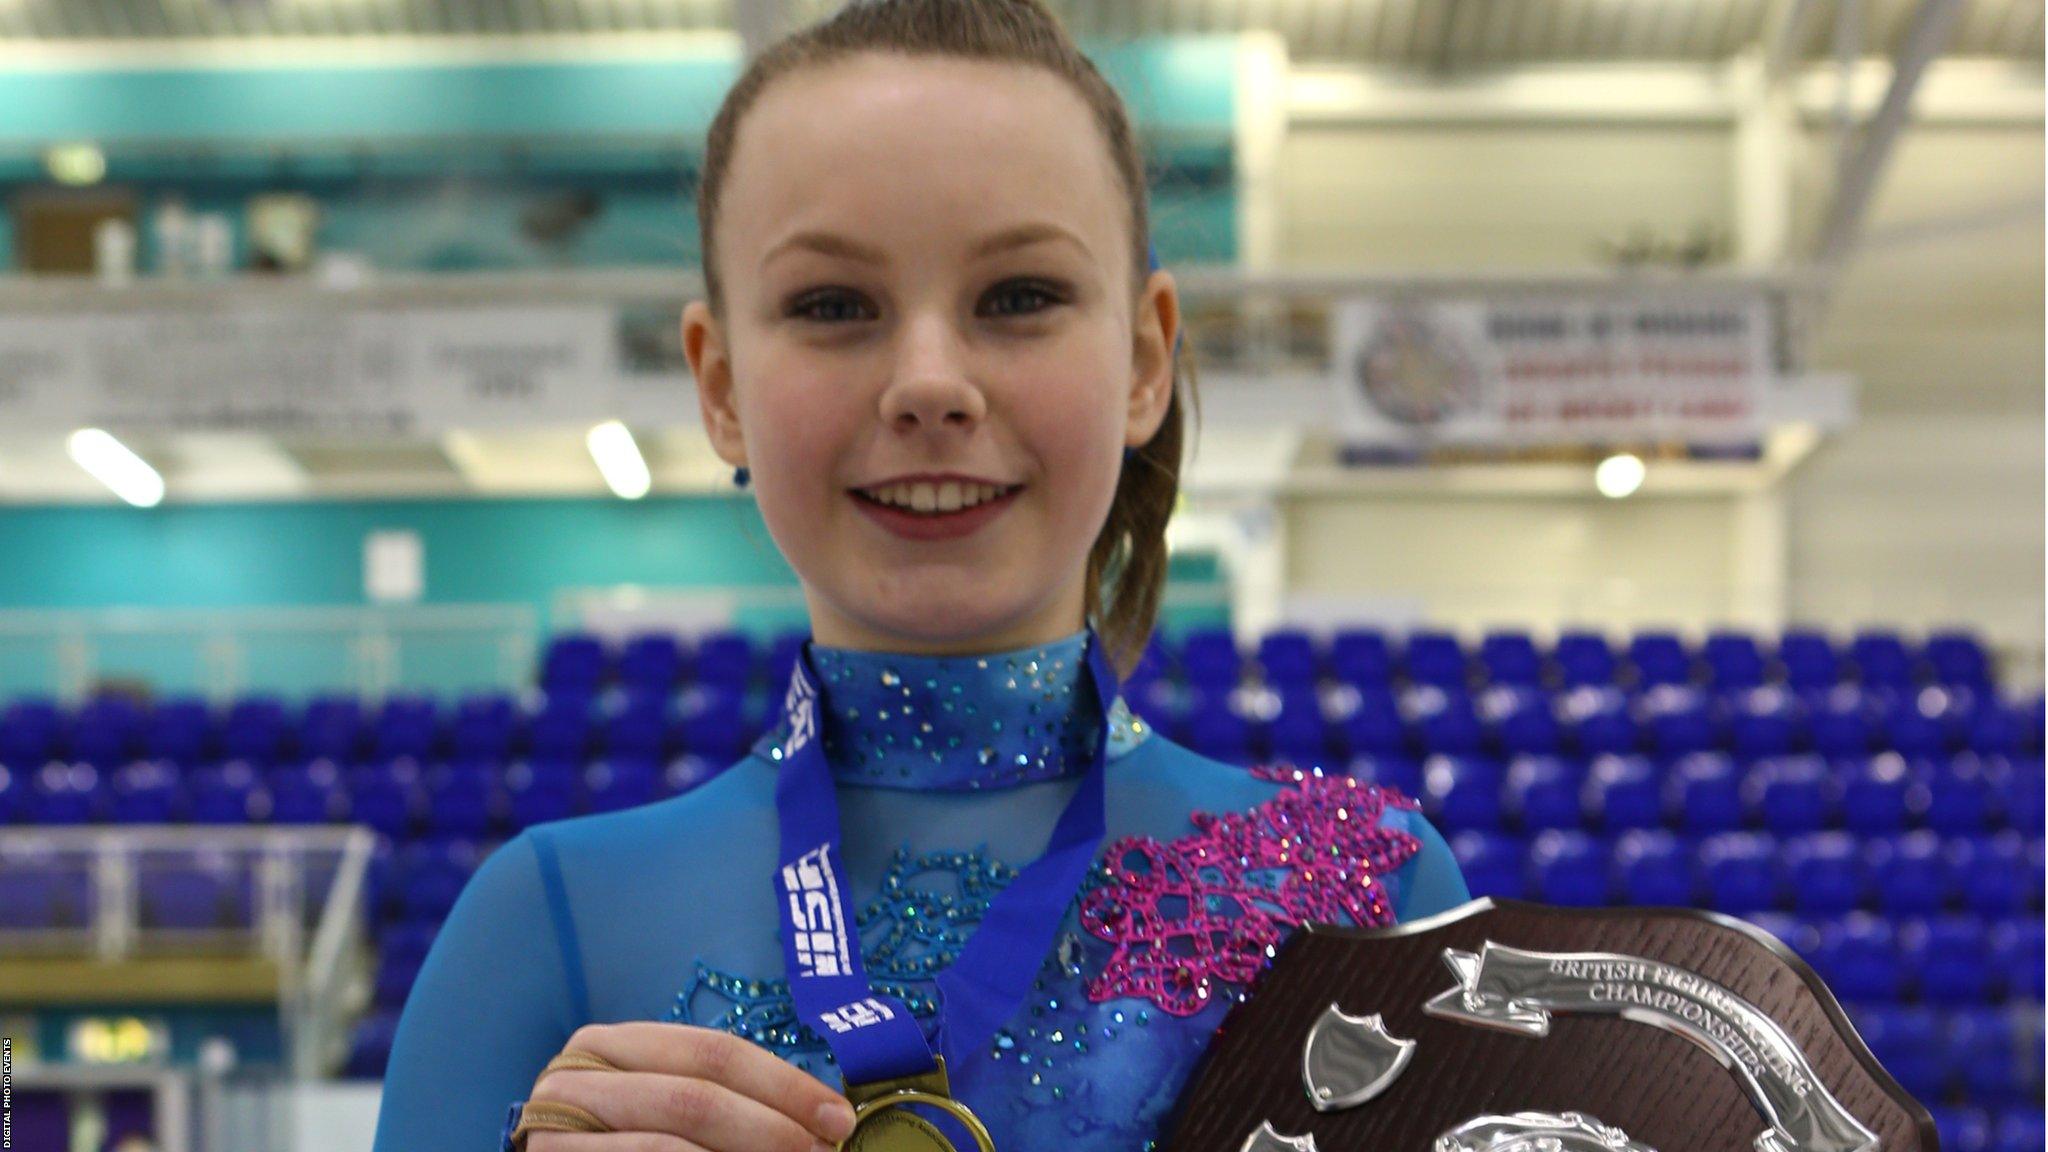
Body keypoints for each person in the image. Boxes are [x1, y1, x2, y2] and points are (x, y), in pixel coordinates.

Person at [371, 2, 1470, 1149]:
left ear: (1143, 359)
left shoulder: (1364, 898)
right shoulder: (544, 923)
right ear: (721, 387)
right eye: (833, 307)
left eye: (1018, 298)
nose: (928, 382)